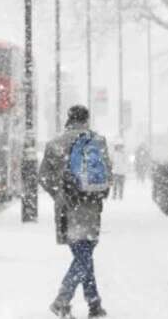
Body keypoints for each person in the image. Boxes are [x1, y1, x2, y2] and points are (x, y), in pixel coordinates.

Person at [39, 105, 111, 318]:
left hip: (66, 209)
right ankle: (86, 304)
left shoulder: (54, 144)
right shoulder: (97, 141)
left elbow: (43, 176)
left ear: (68, 119)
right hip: (92, 206)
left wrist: (60, 193)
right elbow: (108, 173)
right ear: (87, 119)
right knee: (84, 255)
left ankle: (84, 303)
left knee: (82, 256)